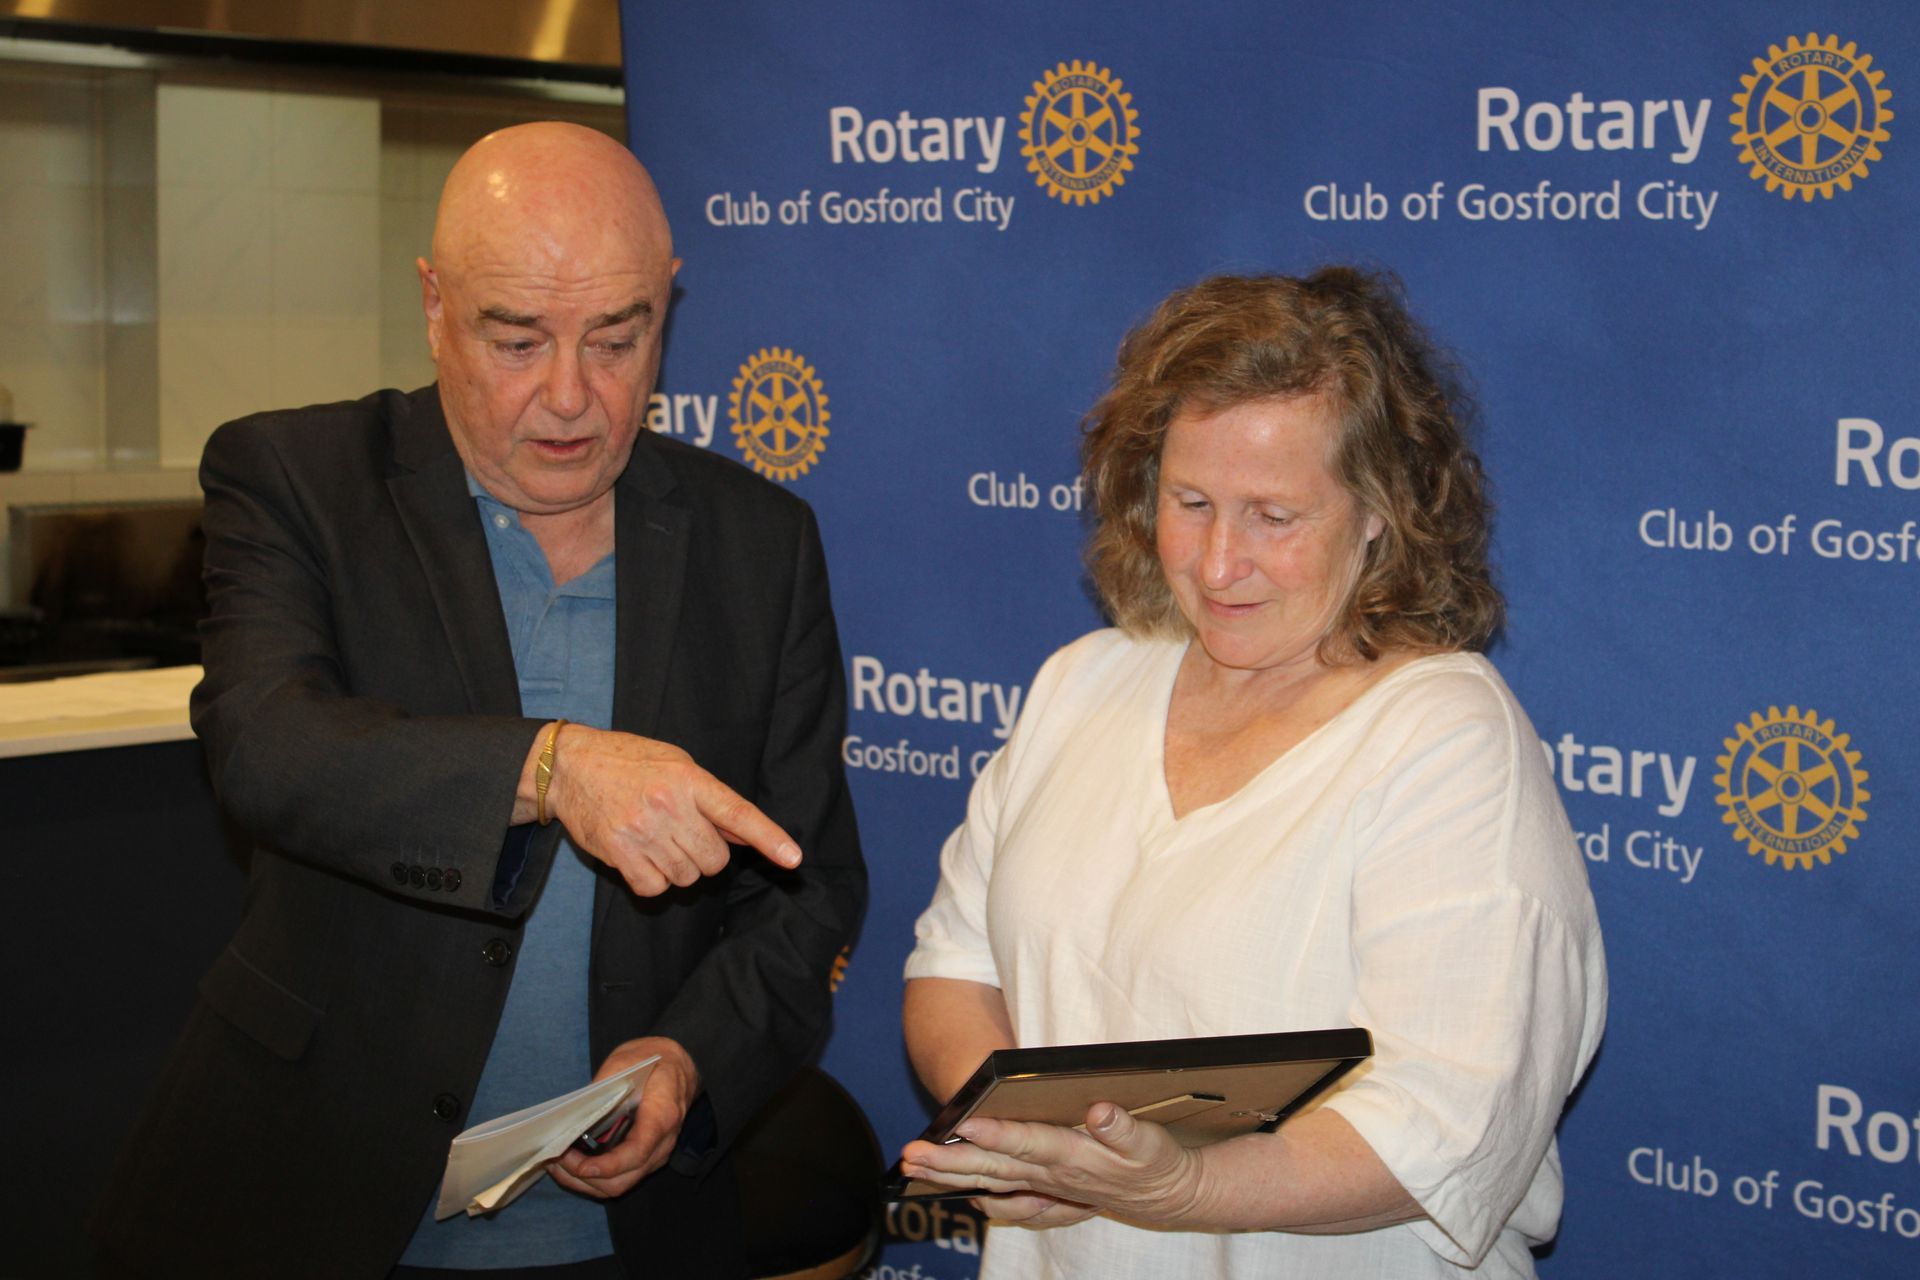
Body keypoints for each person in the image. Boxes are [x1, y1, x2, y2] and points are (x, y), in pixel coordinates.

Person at [93, 123, 865, 1279]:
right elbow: (266, 744)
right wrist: (552, 766)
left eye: (619, 337)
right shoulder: (298, 479)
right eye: (517, 338)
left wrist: (692, 1058)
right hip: (314, 1203)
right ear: (433, 303)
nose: (570, 397)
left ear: (670, 301)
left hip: (626, 1232)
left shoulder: (762, 543)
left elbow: (805, 891)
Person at [899, 269, 1605, 1277]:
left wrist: (1183, 1186)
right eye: (1191, 501)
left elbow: (1453, 1115)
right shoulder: (1083, 682)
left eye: (1274, 515)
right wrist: (1036, 1148)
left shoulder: (1445, 738)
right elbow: (954, 968)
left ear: (1379, 513)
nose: (1219, 560)